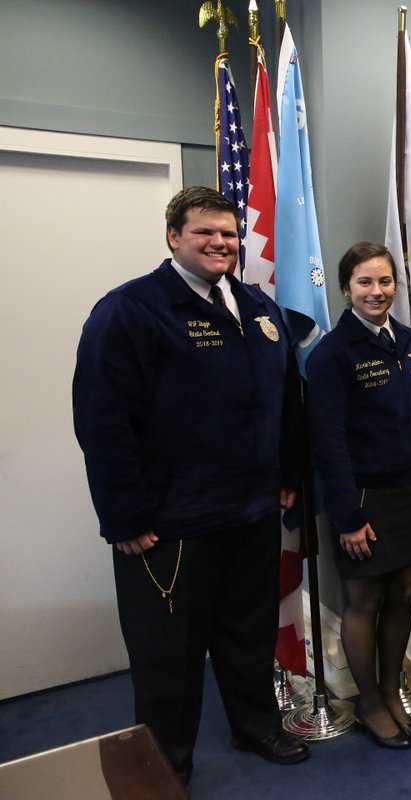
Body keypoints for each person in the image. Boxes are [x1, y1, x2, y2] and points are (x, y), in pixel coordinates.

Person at [72, 186, 309, 784]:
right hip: (169, 526)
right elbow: (102, 422)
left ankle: (256, 726)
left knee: (247, 635)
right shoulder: (131, 311)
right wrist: (123, 517)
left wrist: (285, 473)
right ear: (174, 237)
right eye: (204, 232)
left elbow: (284, 399)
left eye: (228, 233)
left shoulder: (258, 307)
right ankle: (167, 764)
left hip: (250, 512)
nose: (219, 243)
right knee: (167, 659)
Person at [306, 242, 411, 749]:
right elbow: (328, 442)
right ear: (346, 289)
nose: (376, 291)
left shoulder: (409, 343)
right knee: (364, 600)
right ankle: (367, 704)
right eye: (365, 282)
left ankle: (391, 692)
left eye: (385, 281)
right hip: (361, 499)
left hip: (408, 492)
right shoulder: (331, 355)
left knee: (405, 591)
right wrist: (346, 516)